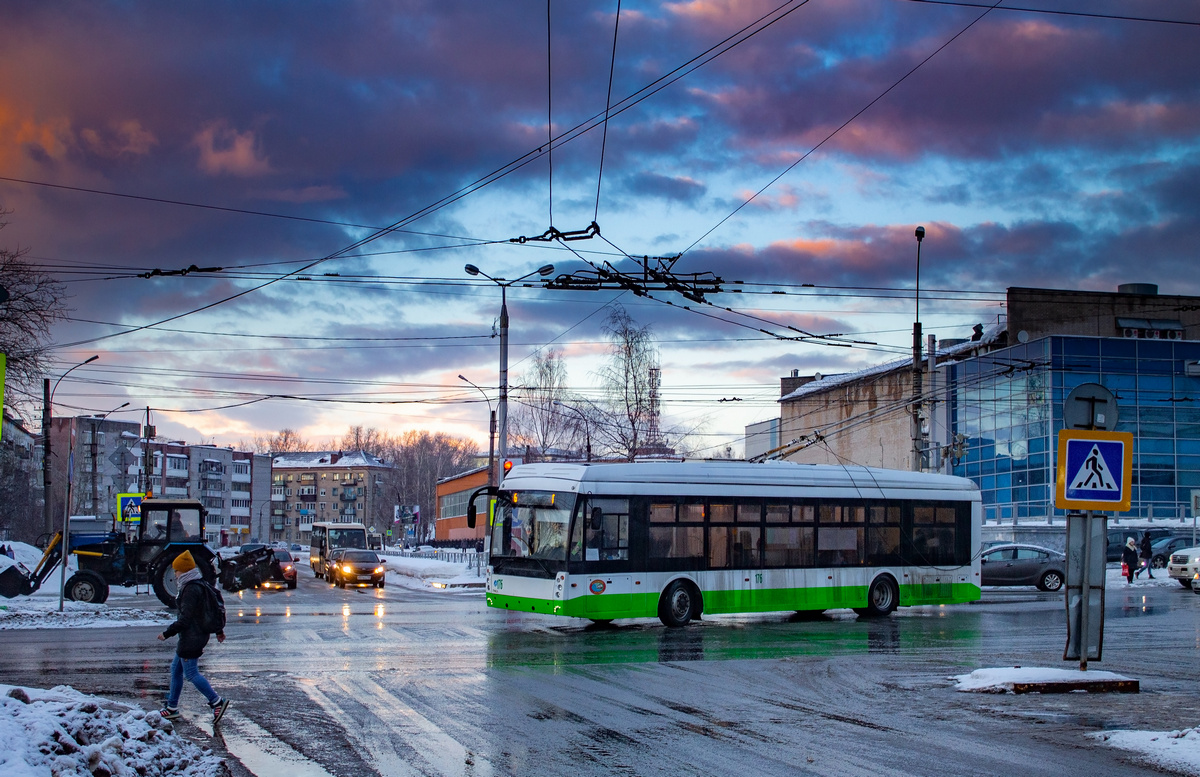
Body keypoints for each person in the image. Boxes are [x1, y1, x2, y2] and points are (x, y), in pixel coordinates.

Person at [156, 550, 230, 723]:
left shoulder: (190, 589)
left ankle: (217, 702)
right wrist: (218, 630)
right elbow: (209, 610)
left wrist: (167, 633)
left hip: (192, 637)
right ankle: (172, 708)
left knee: (191, 673)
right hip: (192, 635)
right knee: (176, 669)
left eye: (176, 570)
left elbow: (185, 618)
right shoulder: (200, 584)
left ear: (183, 571)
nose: (174, 574)